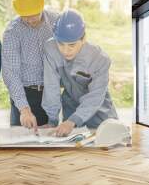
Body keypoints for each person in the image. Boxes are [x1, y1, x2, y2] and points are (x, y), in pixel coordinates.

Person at [42, 9, 118, 137]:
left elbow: (96, 95)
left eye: (71, 45)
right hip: (70, 103)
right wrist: (52, 120)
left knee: (108, 142)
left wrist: (73, 121)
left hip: (98, 107)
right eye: (61, 44)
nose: (65, 51)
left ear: (83, 39)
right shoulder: (50, 49)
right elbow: (51, 86)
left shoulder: (99, 59)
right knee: (71, 144)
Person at [2, 0, 59, 132]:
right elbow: (11, 73)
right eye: (25, 16)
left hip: (51, 93)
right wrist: (24, 109)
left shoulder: (56, 22)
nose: (30, 19)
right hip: (25, 95)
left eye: (34, 14)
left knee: (50, 145)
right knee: (20, 146)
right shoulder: (12, 32)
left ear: (42, 4)